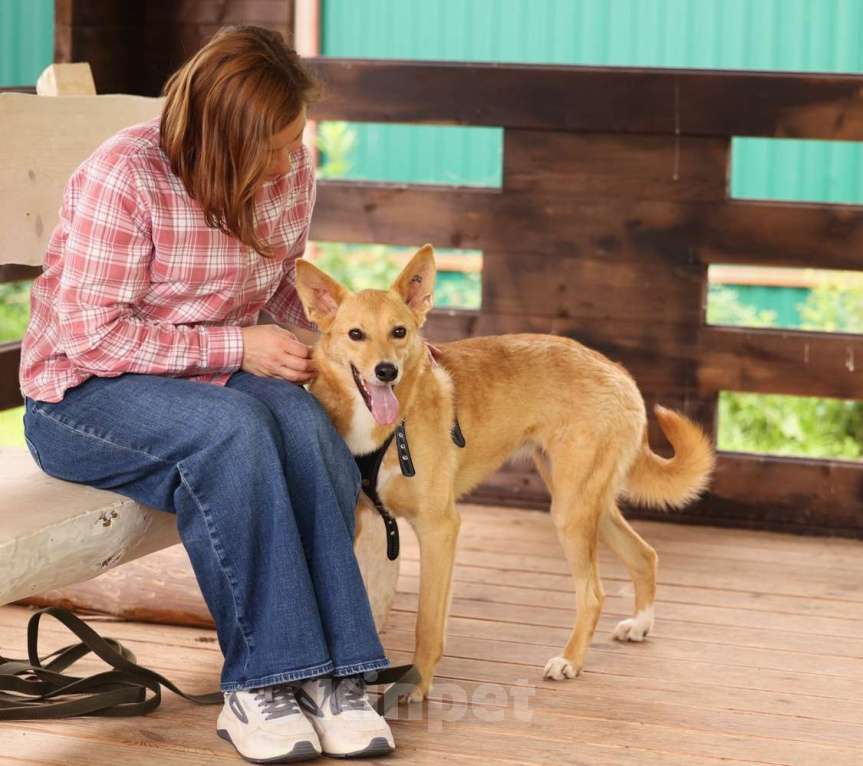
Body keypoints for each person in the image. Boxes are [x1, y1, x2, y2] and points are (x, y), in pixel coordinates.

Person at [18, 25, 395, 763]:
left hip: (208, 379)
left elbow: (279, 289)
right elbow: (92, 339)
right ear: (222, 139)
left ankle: (340, 676)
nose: (291, 160)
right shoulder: (124, 176)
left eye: (296, 140)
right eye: (275, 146)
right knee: (234, 432)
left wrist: (351, 347)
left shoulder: (290, 173)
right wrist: (237, 346)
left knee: (300, 422)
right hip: (82, 396)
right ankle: (262, 684)